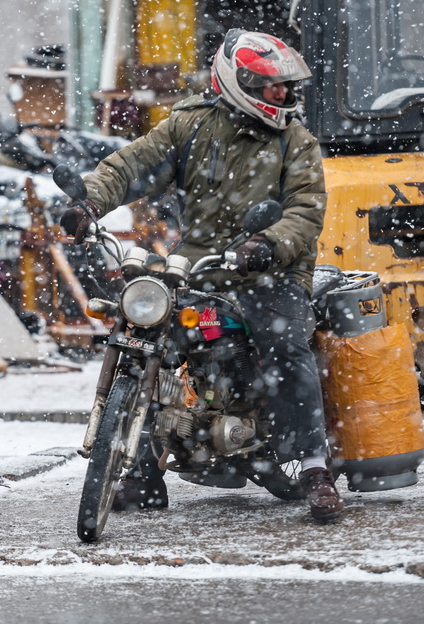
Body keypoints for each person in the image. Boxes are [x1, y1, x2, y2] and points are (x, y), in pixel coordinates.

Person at [59, 29, 342, 522]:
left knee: (287, 347)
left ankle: (315, 469)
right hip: (197, 268)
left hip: (270, 271)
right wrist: (89, 202)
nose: (281, 94)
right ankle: (142, 475)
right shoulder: (189, 126)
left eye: (284, 85)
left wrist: (266, 244)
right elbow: (130, 164)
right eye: (268, 85)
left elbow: (304, 211)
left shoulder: (296, 142)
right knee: (148, 339)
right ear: (237, 83)